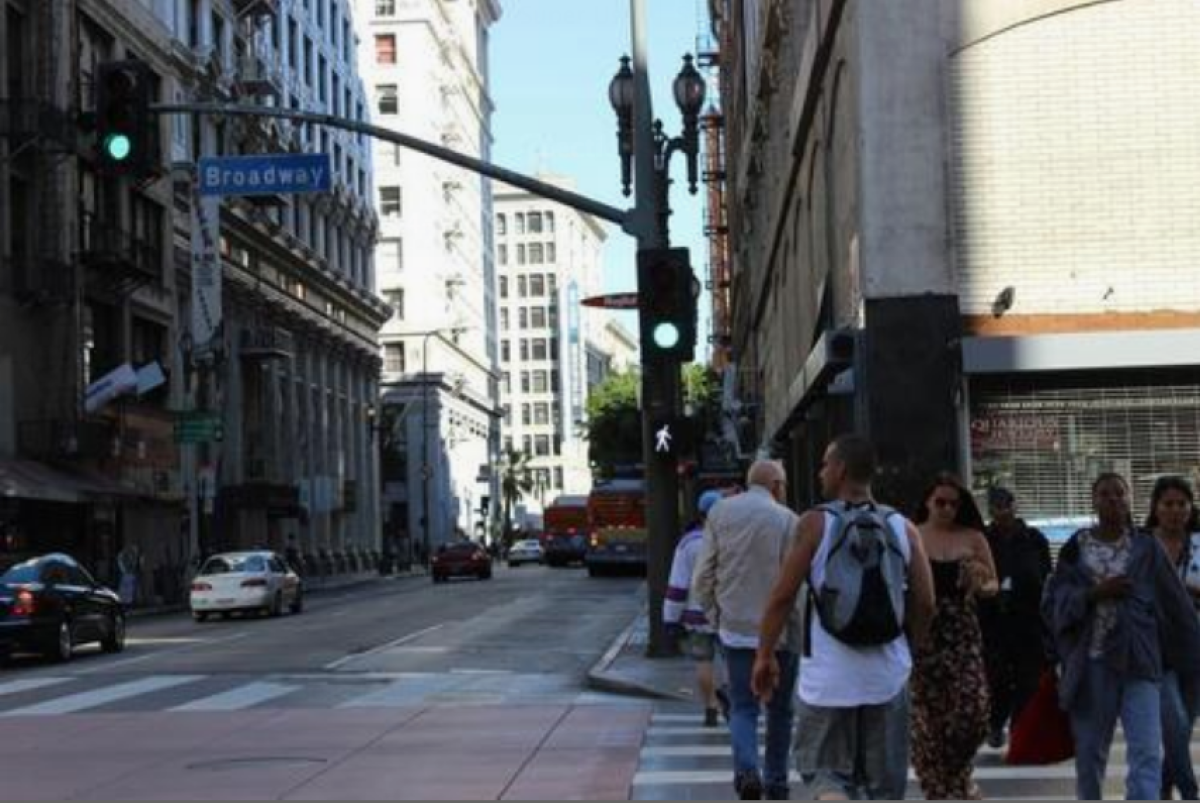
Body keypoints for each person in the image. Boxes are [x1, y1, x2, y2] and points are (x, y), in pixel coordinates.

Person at [753, 434, 935, 800]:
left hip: (828, 680)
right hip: (888, 677)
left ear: (841, 470)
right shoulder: (903, 527)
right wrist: (909, 648)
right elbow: (926, 602)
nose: (820, 472)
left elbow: (782, 596)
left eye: (824, 464)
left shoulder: (815, 524)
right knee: (884, 789)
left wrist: (764, 655)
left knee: (825, 776)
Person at [1043, 472, 1200, 800]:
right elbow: (1055, 600)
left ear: (1129, 500)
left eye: (1119, 494)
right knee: (1090, 751)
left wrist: (1190, 650)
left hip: (1140, 661)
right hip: (1092, 663)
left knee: (1147, 751)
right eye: (1104, 494)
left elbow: (1176, 603)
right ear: (1093, 500)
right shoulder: (1076, 547)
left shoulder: (1145, 547)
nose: (1112, 500)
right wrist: (1093, 594)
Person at [693, 459, 801, 800]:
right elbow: (793, 586)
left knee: (742, 707)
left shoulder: (720, 514)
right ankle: (777, 781)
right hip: (780, 634)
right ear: (776, 486)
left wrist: (716, 617)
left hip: (735, 630)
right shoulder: (787, 520)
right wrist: (797, 634)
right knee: (780, 711)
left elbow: (703, 577)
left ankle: (747, 770)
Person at [910, 473, 997, 800]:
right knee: (928, 724)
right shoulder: (913, 535)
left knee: (972, 712)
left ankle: (957, 776)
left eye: (953, 504)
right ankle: (947, 787)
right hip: (925, 633)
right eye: (940, 502)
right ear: (928, 504)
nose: (946, 509)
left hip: (962, 633)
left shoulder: (974, 538)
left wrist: (980, 582)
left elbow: (992, 584)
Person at [979, 486, 1051, 749]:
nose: (1002, 512)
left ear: (1014, 506)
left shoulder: (1033, 539)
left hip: (1028, 617)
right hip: (994, 618)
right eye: (996, 507)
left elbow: (1045, 575)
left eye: (1006, 505)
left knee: (1028, 677)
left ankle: (1020, 727)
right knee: (996, 677)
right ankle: (996, 722)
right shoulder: (984, 539)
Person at [1145, 475, 1200, 800]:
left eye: (1182, 504)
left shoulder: (1198, 543)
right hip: (1155, 647)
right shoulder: (1142, 543)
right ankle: (1191, 792)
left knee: (1183, 726)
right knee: (1173, 722)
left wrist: (1180, 592)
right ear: (1155, 508)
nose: (1176, 511)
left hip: (1196, 647)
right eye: (1168, 504)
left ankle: (1164, 785)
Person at [664, 489, 728, 727]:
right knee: (732, 661)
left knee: (703, 661)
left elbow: (677, 586)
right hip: (727, 613)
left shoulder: (688, 544)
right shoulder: (731, 538)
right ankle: (728, 696)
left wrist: (670, 618)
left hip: (696, 614)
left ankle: (710, 706)